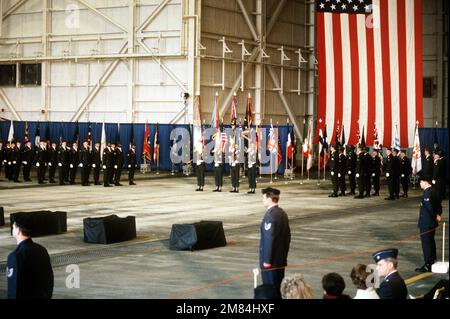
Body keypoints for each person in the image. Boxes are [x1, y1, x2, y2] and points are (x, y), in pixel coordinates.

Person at [7, 214, 54, 299]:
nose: (12, 229)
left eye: (13, 227)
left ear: (18, 231)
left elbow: (14, 288)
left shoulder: (15, 256)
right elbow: (49, 281)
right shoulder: (41, 250)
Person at [259, 187, 291, 297]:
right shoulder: (282, 213)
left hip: (271, 263)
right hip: (280, 260)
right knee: (278, 291)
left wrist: (267, 260)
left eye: (263, 198)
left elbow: (269, 239)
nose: (262, 200)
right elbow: (287, 237)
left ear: (270, 199)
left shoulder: (270, 215)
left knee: (270, 292)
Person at [416, 178, 443, 273]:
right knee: (431, 241)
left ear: (425, 182)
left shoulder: (427, 192)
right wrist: (439, 214)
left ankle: (428, 264)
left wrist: (435, 215)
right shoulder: (434, 190)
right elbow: (439, 204)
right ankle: (432, 260)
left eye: (421, 181)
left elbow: (429, 208)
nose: (420, 183)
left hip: (427, 222)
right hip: (432, 221)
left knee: (426, 243)